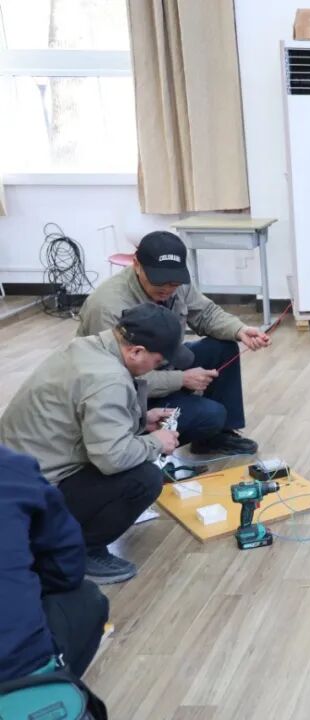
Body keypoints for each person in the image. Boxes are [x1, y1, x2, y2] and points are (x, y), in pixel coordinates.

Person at [0, 304, 190, 584]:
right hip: (35, 498)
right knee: (144, 478)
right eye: (158, 362)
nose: (157, 368)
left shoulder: (87, 348)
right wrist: (155, 442)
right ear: (136, 351)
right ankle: (76, 551)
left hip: (16, 480)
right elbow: (112, 459)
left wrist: (140, 421)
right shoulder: (109, 379)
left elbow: (81, 417)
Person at [77, 230, 268, 457]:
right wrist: (181, 380)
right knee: (211, 415)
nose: (168, 288)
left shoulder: (178, 284)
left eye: (174, 282)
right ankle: (142, 444)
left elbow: (205, 313)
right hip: (126, 395)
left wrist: (239, 330)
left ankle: (219, 437)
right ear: (136, 265)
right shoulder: (107, 307)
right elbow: (118, 380)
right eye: (160, 280)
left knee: (223, 346)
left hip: (163, 364)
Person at [0, 444, 109, 697]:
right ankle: (47, 686)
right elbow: (65, 567)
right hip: (15, 674)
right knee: (86, 598)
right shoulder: (11, 468)